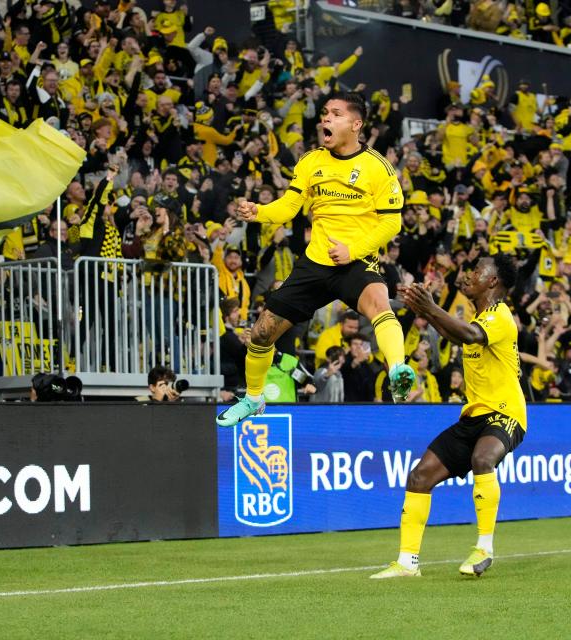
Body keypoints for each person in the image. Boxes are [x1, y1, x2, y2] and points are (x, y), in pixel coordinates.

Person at [216, 91, 415, 426]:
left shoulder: (378, 168)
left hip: (356, 261)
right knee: (263, 332)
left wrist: (354, 250)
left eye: (335, 114)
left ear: (356, 124)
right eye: (324, 112)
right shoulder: (310, 161)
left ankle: (397, 370)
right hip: (314, 264)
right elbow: (289, 206)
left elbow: (392, 222)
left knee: (380, 304)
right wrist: (260, 212)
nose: (325, 118)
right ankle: (252, 399)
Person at [371, 254, 525, 579]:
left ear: (493, 281)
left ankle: (484, 548)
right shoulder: (479, 317)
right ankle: (407, 562)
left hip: (505, 412)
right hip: (474, 416)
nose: (469, 275)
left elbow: (468, 336)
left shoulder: (500, 316)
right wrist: (425, 309)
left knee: (483, 459)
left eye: (477, 270)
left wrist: (430, 307)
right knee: (419, 476)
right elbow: (458, 335)